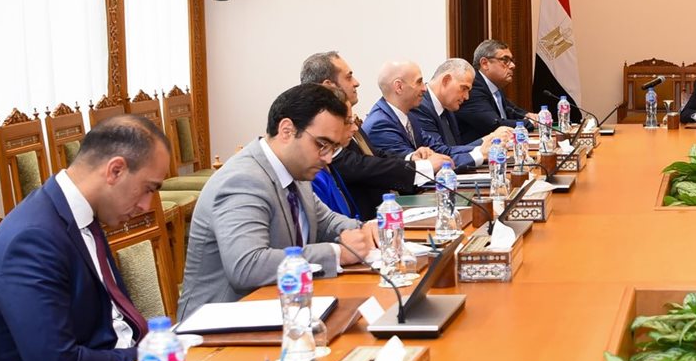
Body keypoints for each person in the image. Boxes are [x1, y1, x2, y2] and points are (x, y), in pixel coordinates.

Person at [0, 116, 171, 361]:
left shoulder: (80, 213)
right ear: (115, 170)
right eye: (148, 188)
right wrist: (146, 356)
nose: (146, 204)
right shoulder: (31, 239)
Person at [180, 85, 379, 314]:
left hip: (282, 307)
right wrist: (336, 254)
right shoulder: (243, 179)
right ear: (286, 131)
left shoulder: (296, 170)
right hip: (223, 321)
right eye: (322, 145)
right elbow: (247, 265)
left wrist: (367, 229)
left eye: (332, 148)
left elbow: (326, 222)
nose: (327, 159)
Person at [301, 50, 435, 219]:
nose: (356, 83)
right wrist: (422, 167)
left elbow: (375, 155)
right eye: (349, 77)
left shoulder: (350, 121)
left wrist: (411, 158)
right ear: (329, 85)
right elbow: (359, 165)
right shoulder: (320, 132)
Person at [413, 58, 507, 170]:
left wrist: (487, 141)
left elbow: (454, 149)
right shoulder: (420, 107)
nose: (466, 97)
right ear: (446, 80)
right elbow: (440, 154)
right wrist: (484, 146)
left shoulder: (448, 106)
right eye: (464, 88)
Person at [457, 39, 529, 142]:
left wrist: (527, 115)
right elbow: (495, 124)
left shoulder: (495, 88)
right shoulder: (473, 87)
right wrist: (530, 123)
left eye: (512, 60)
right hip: (476, 149)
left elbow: (512, 110)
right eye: (505, 60)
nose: (513, 66)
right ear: (485, 63)